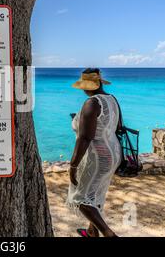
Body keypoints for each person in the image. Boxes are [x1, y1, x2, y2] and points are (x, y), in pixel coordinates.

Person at [67, 68, 122, 237]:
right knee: (96, 194)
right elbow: (118, 127)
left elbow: (85, 138)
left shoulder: (91, 103)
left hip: (98, 157)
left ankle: (108, 233)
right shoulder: (112, 99)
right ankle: (92, 232)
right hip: (113, 154)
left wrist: (73, 165)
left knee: (80, 198)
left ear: (88, 86)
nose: (83, 89)